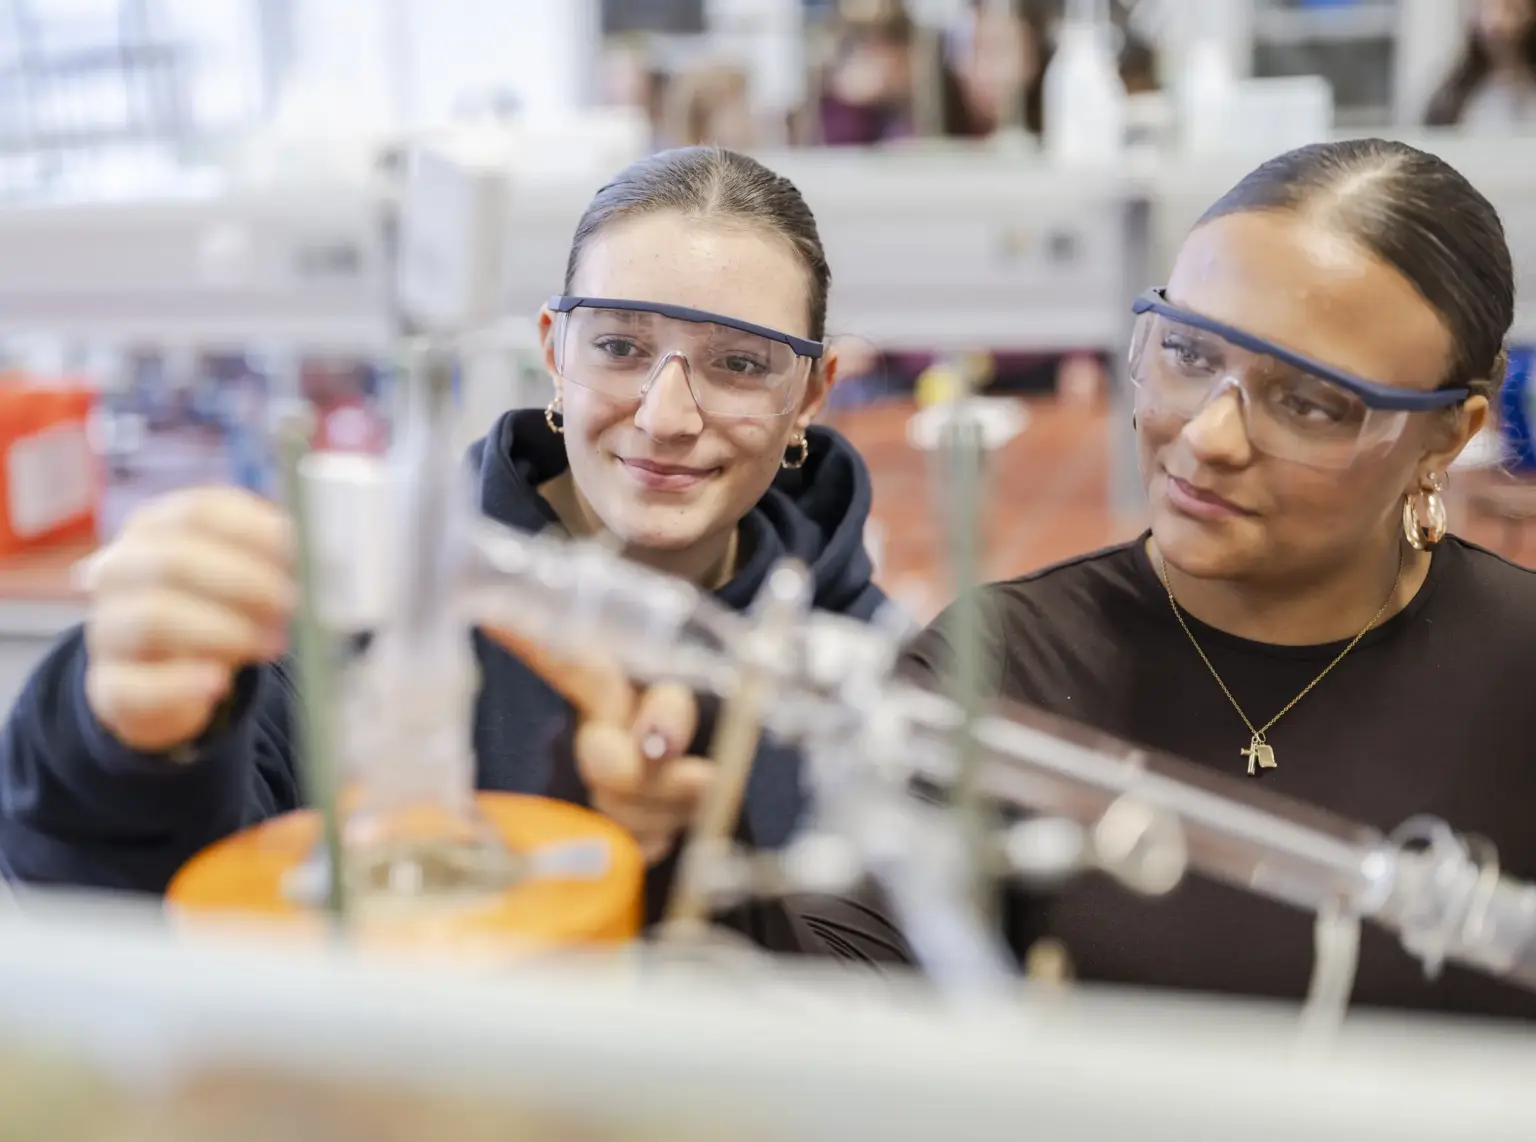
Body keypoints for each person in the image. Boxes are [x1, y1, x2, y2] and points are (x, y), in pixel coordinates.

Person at [548, 137, 1536, 1018]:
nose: (1207, 434)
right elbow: (843, 1012)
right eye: (1188, 354)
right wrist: (667, 831)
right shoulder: (997, 664)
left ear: (1450, 432)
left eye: (1311, 403)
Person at [0, 148, 897, 955]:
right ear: (554, 350)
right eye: (620, 348)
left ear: (810, 395)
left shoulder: (875, 667)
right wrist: (120, 739)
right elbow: (119, 903)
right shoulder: (379, 596)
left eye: (740, 364)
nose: (665, 417)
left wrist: (698, 860)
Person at [1425, 0, 1536, 132]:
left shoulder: (1528, 87)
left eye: (1510, 8)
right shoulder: (1452, 94)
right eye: (1485, 7)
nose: (1495, 20)